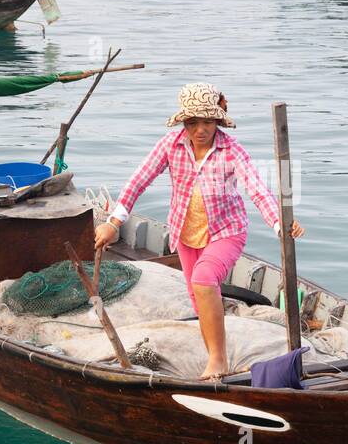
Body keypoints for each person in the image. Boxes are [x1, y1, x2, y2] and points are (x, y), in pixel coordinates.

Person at [95, 82, 304, 379]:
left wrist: (279, 224)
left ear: (217, 121)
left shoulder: (232, 151)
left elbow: (258, 190)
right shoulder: (171, 144)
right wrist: (113, 223)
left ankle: (218, 361)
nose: (200, 129)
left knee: (205, 281)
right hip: (185, 234)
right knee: (198, 298)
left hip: (226, 232)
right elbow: (138, 180)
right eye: (193, 122)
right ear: (184, 123)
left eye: (207, 122)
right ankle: (213, 355)